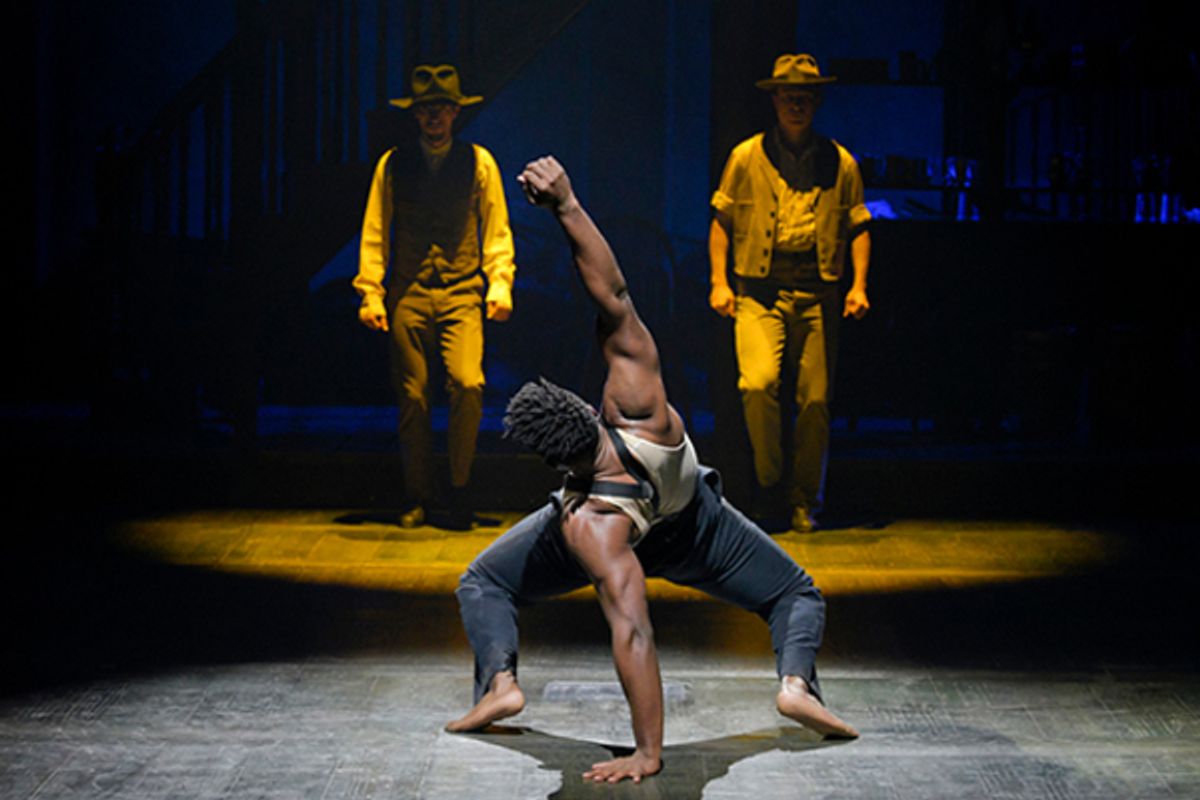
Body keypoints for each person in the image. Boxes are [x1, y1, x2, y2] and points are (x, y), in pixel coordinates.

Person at [445, 156, 857, 785]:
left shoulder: (586, 524)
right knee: (795, 594)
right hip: (694, 525)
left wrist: (649, 754)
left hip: (644, 522)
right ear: (588, 407)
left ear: (559, 464)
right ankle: (797, 684)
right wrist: (567, 204)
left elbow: (633, 630)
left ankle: (501, 682)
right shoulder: (636, 402)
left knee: (482, 582)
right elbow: (612, 294)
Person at [709, 53, 872, 533]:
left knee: (815, 400)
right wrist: (719, 281)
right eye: (787, 96)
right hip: (760, 290)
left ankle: (805, 498)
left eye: (803, 97)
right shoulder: (746, 157)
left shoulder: (839, 161)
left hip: (817, 290)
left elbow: (859, 223)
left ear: (815, 102)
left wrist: (858, 284)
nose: (795, 105)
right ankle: (769, 484)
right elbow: (722, 220)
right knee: (756, 384)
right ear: (774, 100)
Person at [354, 64, 516, 527]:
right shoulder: (393, 163)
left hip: (462, 291)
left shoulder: (478, 161)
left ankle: (459, 487)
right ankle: (418, 494)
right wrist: (372, 292)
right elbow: (376, 230)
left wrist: (499, 283)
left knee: (468, 383)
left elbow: (496, 228)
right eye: (427, 109)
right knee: (413, 396)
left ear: (455, 112)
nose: (435, 118)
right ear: (416, 114)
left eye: (443, 109)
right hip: (409, 292)